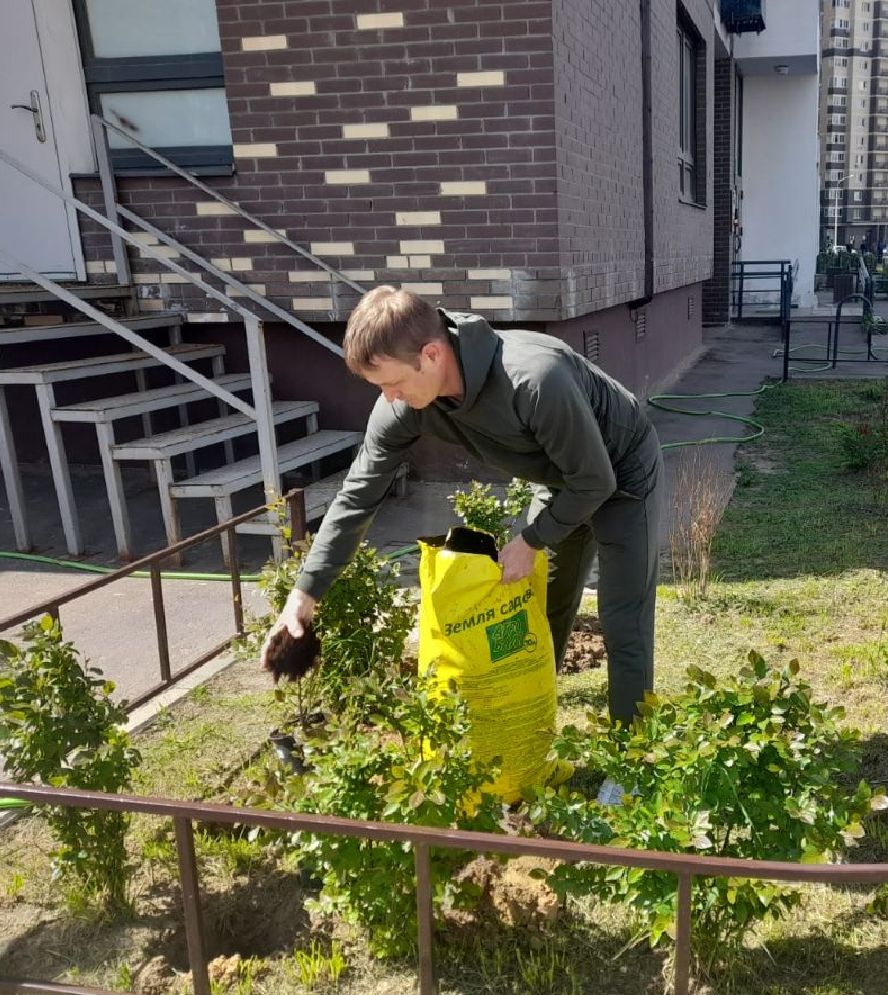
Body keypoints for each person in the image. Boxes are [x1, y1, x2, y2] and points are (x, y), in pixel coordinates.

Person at [260, 287, 664, 776]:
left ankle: (631, 768)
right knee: (543, 607)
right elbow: (356, 497)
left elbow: (595, 480)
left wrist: (532, 540)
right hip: (558, 478)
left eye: (391, 383)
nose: (387, 398)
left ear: (431, 354)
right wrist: (303, 596)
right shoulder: (403, 405)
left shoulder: (534, 379)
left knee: (624, 620)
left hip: (621, 472)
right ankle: (527, 726)